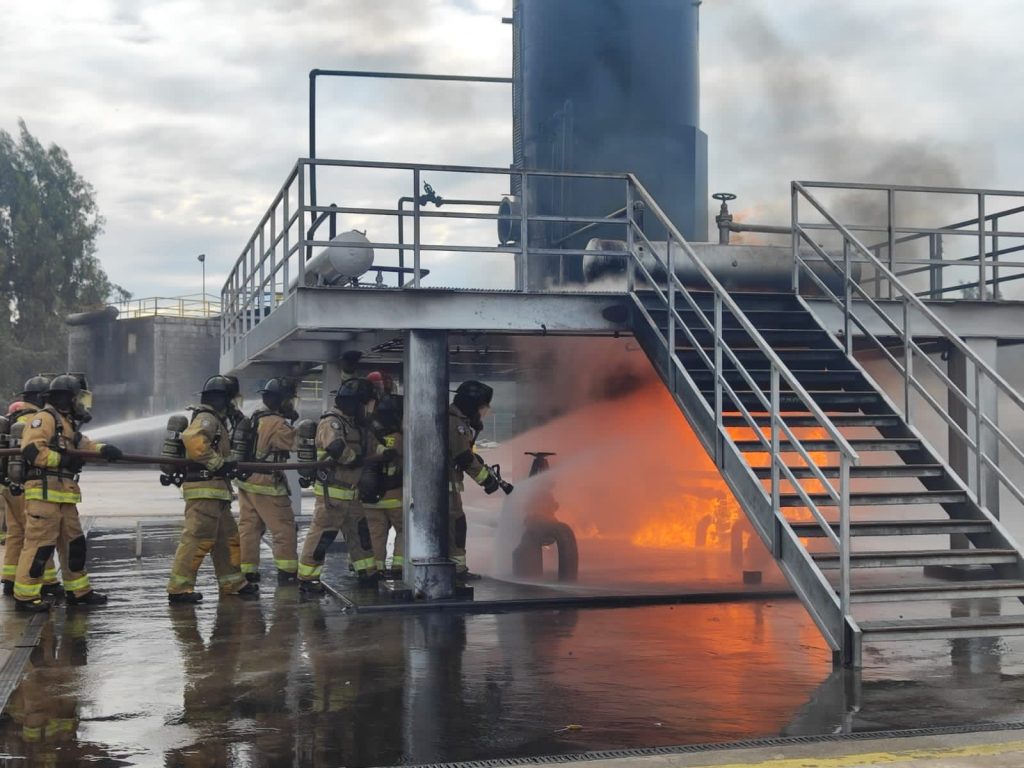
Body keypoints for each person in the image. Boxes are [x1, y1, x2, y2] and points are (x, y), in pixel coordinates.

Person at [13, 374, 122, 612]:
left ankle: (79, 592)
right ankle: (25, 597)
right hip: (44, 496)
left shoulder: (66, 423)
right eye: (78, 398)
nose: (81, 403)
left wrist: (104, 450)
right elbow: (32, 450)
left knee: (74, 545)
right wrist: (64, 460)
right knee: (40, 546)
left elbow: (84, 445)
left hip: (64, 496)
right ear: (67, 397)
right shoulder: (44, 418)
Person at [166, 375, 258, 604]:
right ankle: (179, 589)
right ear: (221, 399)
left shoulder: (215, 419)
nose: (232, 405)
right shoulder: (207, 418)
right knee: (197, 538)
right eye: (230, 400)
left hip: (216, 492)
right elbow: (193, 440)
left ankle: (233, 582)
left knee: (227, 539)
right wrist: (218, 464)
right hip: (205, 490)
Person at [297, 378, 384, 593]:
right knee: (322, 536)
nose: (368, 409)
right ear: (355, 402)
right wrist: (353, 459)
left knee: (360, 535)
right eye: (366, 403)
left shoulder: (357, 425)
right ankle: (308, 578)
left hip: (352, 494)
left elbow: (373, 446)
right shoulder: (332, 422)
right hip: (332, 495)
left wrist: (386, 452)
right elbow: (335, 447)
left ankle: (367, 573)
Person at [236, 377, 300, 585]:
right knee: (284, 529)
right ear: (282, 401)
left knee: (249, 528)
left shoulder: (255, 417)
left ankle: (247, 572)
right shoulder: (277, 424)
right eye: (289, 400)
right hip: (268, 484)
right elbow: (296, 443)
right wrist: (301, 428)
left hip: (247, 481)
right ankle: (287, 572)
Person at [3, 379, 61, 598]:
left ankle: (10, 579)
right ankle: (47, 581)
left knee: (16, 534)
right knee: (39, 534)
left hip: (7, 486)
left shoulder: (13, 418)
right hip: (24, 486)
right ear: (39, 397)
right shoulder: (36, 419)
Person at [449, 380, 504, 581]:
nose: (482, 413)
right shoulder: (455, 423)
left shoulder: (457, 421)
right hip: (445, 489)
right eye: (481, 408)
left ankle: (455, 568)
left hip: (447, 487)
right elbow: (463, 456)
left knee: (454, 526)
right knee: (456, 526)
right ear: (471, 404)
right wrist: (486, 480)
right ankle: (457, 570)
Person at [364, 395, 404, 579]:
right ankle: (399, 566)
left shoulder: (368, 434)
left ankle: (376, 568)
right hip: (395, 495)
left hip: (370, 497)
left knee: (375, 533)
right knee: (405, 530)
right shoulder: (399, 437)